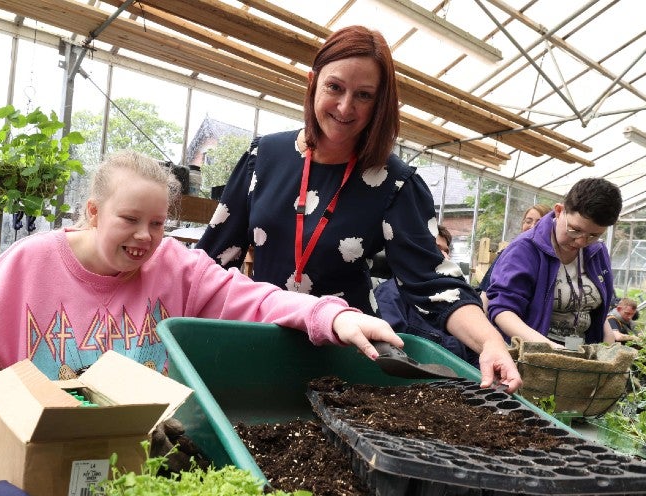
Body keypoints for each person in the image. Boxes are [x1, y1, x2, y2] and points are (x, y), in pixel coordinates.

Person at [0, 150, 403, 385]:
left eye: (157, 223)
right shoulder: (33, 260)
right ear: (93, 213)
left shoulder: (176, 266)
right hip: (41, 459)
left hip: (148, 459)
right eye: (129, 220)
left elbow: (257, 298)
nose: (145, 237)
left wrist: (331, 316)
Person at [194, 25, 519, 392]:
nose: (346, 107)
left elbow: (435, 284)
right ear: (313, 82)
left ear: (379, 104)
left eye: (364, 95)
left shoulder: (393, 182)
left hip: (348, 354)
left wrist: (490, 342)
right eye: (335, 87)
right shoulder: (263, 157)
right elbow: (213, 260)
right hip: (263, 339)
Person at [486, 178, 622, 348]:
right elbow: (502, 311)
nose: (581, 241)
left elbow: (596, 313)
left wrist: (608, 349)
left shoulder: (597, 251)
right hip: (533, 356)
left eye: (593, 235)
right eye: (575, 230)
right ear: (559, 211)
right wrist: (551, 349)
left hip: (581, 352)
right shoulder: (525, 249)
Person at [374, 225, 479, 366]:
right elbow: (390, 353)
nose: (446, 256)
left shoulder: (455, 300)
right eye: (437, 248)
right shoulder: (390, 294)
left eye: (447, 251)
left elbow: (473, 356)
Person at [478, 203, 552, 305]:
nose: (532, 226)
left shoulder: (554, 259)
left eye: (540, 222)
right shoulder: (508, 253)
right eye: (528, 221)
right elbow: (486, 292)